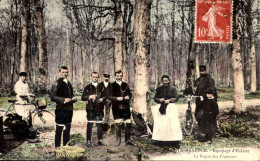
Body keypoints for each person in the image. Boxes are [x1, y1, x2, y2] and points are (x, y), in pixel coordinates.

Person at [50, 66, 77, 148]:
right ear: (59, 73)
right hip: (60, 110)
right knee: (59, 130)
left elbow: (71, 95)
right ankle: (57, 148)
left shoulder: (69, 83)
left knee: (67, 129)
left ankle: (66, 147)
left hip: (69, 110)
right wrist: (64, 100)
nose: (65, 74)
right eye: (63, 72)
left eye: (66, 72)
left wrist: (73, 98)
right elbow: (52, 97)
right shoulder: (56, 83)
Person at [152, 75, 182, 148]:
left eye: (166, 81)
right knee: (161, 124)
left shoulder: (173, 88)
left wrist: (169, 100)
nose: (165, 82)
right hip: (161, 107)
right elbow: (155, 98)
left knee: (171, 124)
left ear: (169, 81)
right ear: (162, 81)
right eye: (164, 81)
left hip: (170, 108)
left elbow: (176, 98)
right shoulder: (159, 89)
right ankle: (160, 140)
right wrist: (159, 100)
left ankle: (173, 141)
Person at [194, 65, 219, 144]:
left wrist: (205, 93)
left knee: (208, 119)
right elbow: (195, 88)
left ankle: (209, 137)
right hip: (200, 102)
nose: (202, 72)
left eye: (203, 71)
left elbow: (212, 89)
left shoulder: (210, 79)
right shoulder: (198, 80)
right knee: (199, 117)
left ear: (205, 70)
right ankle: (204, 136)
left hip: (208, 102)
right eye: (201, 71)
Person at [82, 72, 106, 147]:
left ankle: (100, 140)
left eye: (96, 77)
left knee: (99, 124)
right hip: (91, 108)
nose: (95, 78)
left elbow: (106, 96)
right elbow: (82, 97)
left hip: (99, 108)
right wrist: (89, 97)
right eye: (93, 77)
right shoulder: (87, 87)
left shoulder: (102, 87)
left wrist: (102, 99)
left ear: (98, 78)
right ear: (91, 77)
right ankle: (88, 141)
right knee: (90, 124)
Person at [110, 70, 132, 146]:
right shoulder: (112, 85)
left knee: (128, 123)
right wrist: (116, 98)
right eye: (118, 76)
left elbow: (130, 93)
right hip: (116, 107)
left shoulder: (125, 84)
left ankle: (127, 140)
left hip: (126, 107)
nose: (119, 77)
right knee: (118, 123)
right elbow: (109, 96)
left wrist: (128, 96)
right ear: (115, 76)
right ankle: (118, 141)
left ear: (122, 76)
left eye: (120, 76)